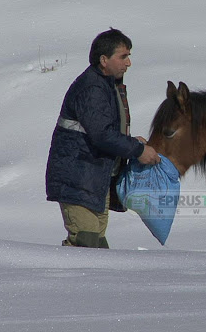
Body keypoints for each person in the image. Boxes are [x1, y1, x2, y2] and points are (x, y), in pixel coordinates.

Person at [45, 28, 161, 248]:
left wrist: (132, 142)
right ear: (104, 60)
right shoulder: (92, 88)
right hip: (78, 179)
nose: (128, 63)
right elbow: (102, 135)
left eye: (129, 56)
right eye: (123, 56)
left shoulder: (106, 85)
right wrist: (137, 151)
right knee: (86, 244)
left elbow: (103, 129)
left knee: (97, 247)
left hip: (94, 180)